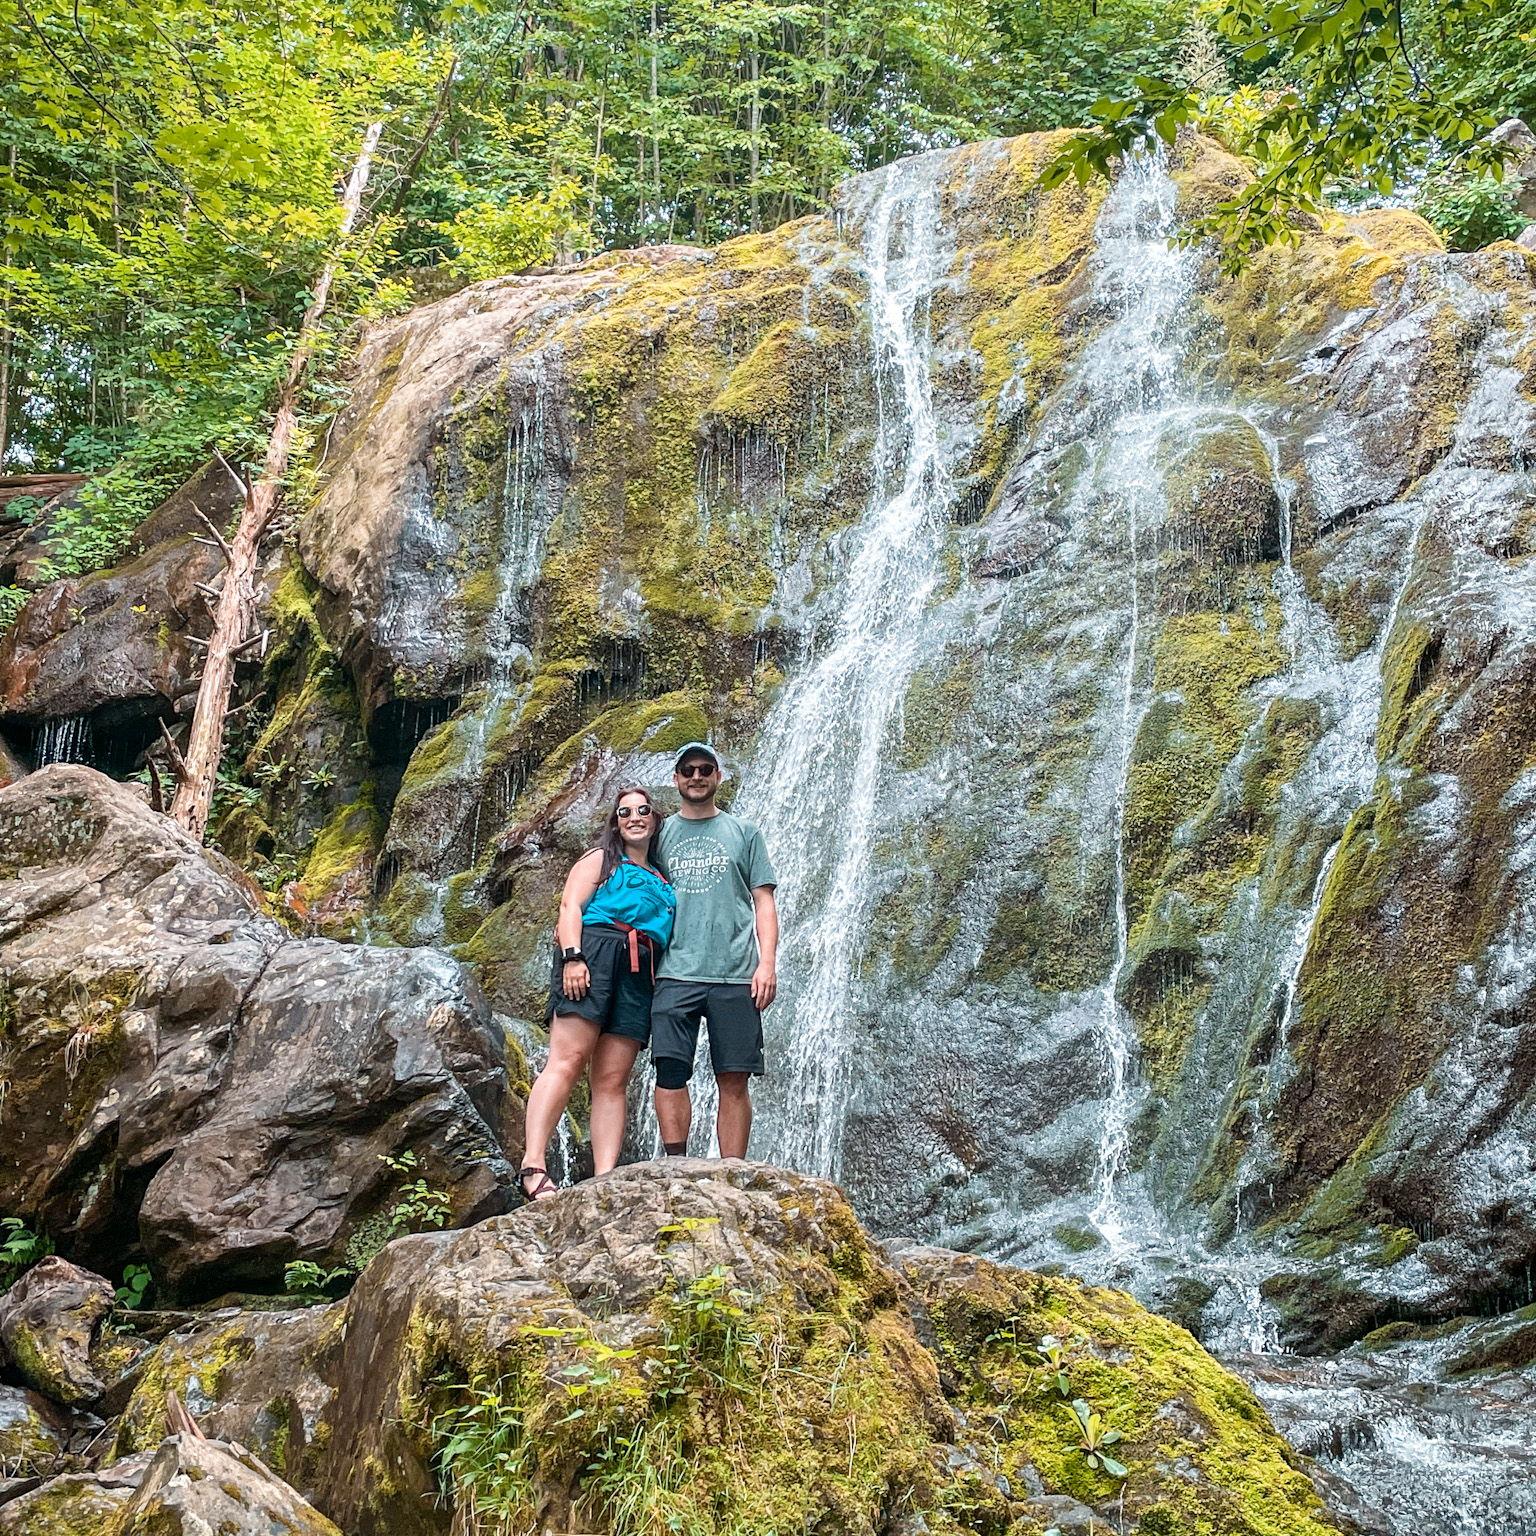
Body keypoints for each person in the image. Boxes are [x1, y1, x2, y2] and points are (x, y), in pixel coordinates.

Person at [518, 787, 676, 1201]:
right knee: (567, 1060)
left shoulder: (664, 879)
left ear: (655, 819)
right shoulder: (601, 859)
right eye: (625, 812)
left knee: (612, 1080)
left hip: (640, 970)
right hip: (597, 952)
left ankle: (604, 1179)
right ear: (616, 821)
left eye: (643, 810)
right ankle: (533, 1165)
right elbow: (571, 906)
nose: (634, 817)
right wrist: (573, 957)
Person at [651, 741, 779, 1160]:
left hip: (736, 972)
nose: (697, 776)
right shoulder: (660, 833)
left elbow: (764, 901)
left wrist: (767, 964)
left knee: (734, 1078)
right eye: (688, 769)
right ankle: (675, 1166)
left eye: (706, 769)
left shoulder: (745, 833)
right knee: (669, 1072)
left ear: (718, 777)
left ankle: (733, 1173)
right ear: (676, 779)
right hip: (674, 970)